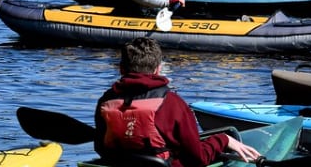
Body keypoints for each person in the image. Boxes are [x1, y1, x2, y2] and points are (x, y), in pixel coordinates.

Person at [94, 37, 261, 167]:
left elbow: (101, 148)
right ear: (157, 69)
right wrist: (223, 140)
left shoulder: (106, 101)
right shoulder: (171, 103)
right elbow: (198, 159)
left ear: (121, 68)